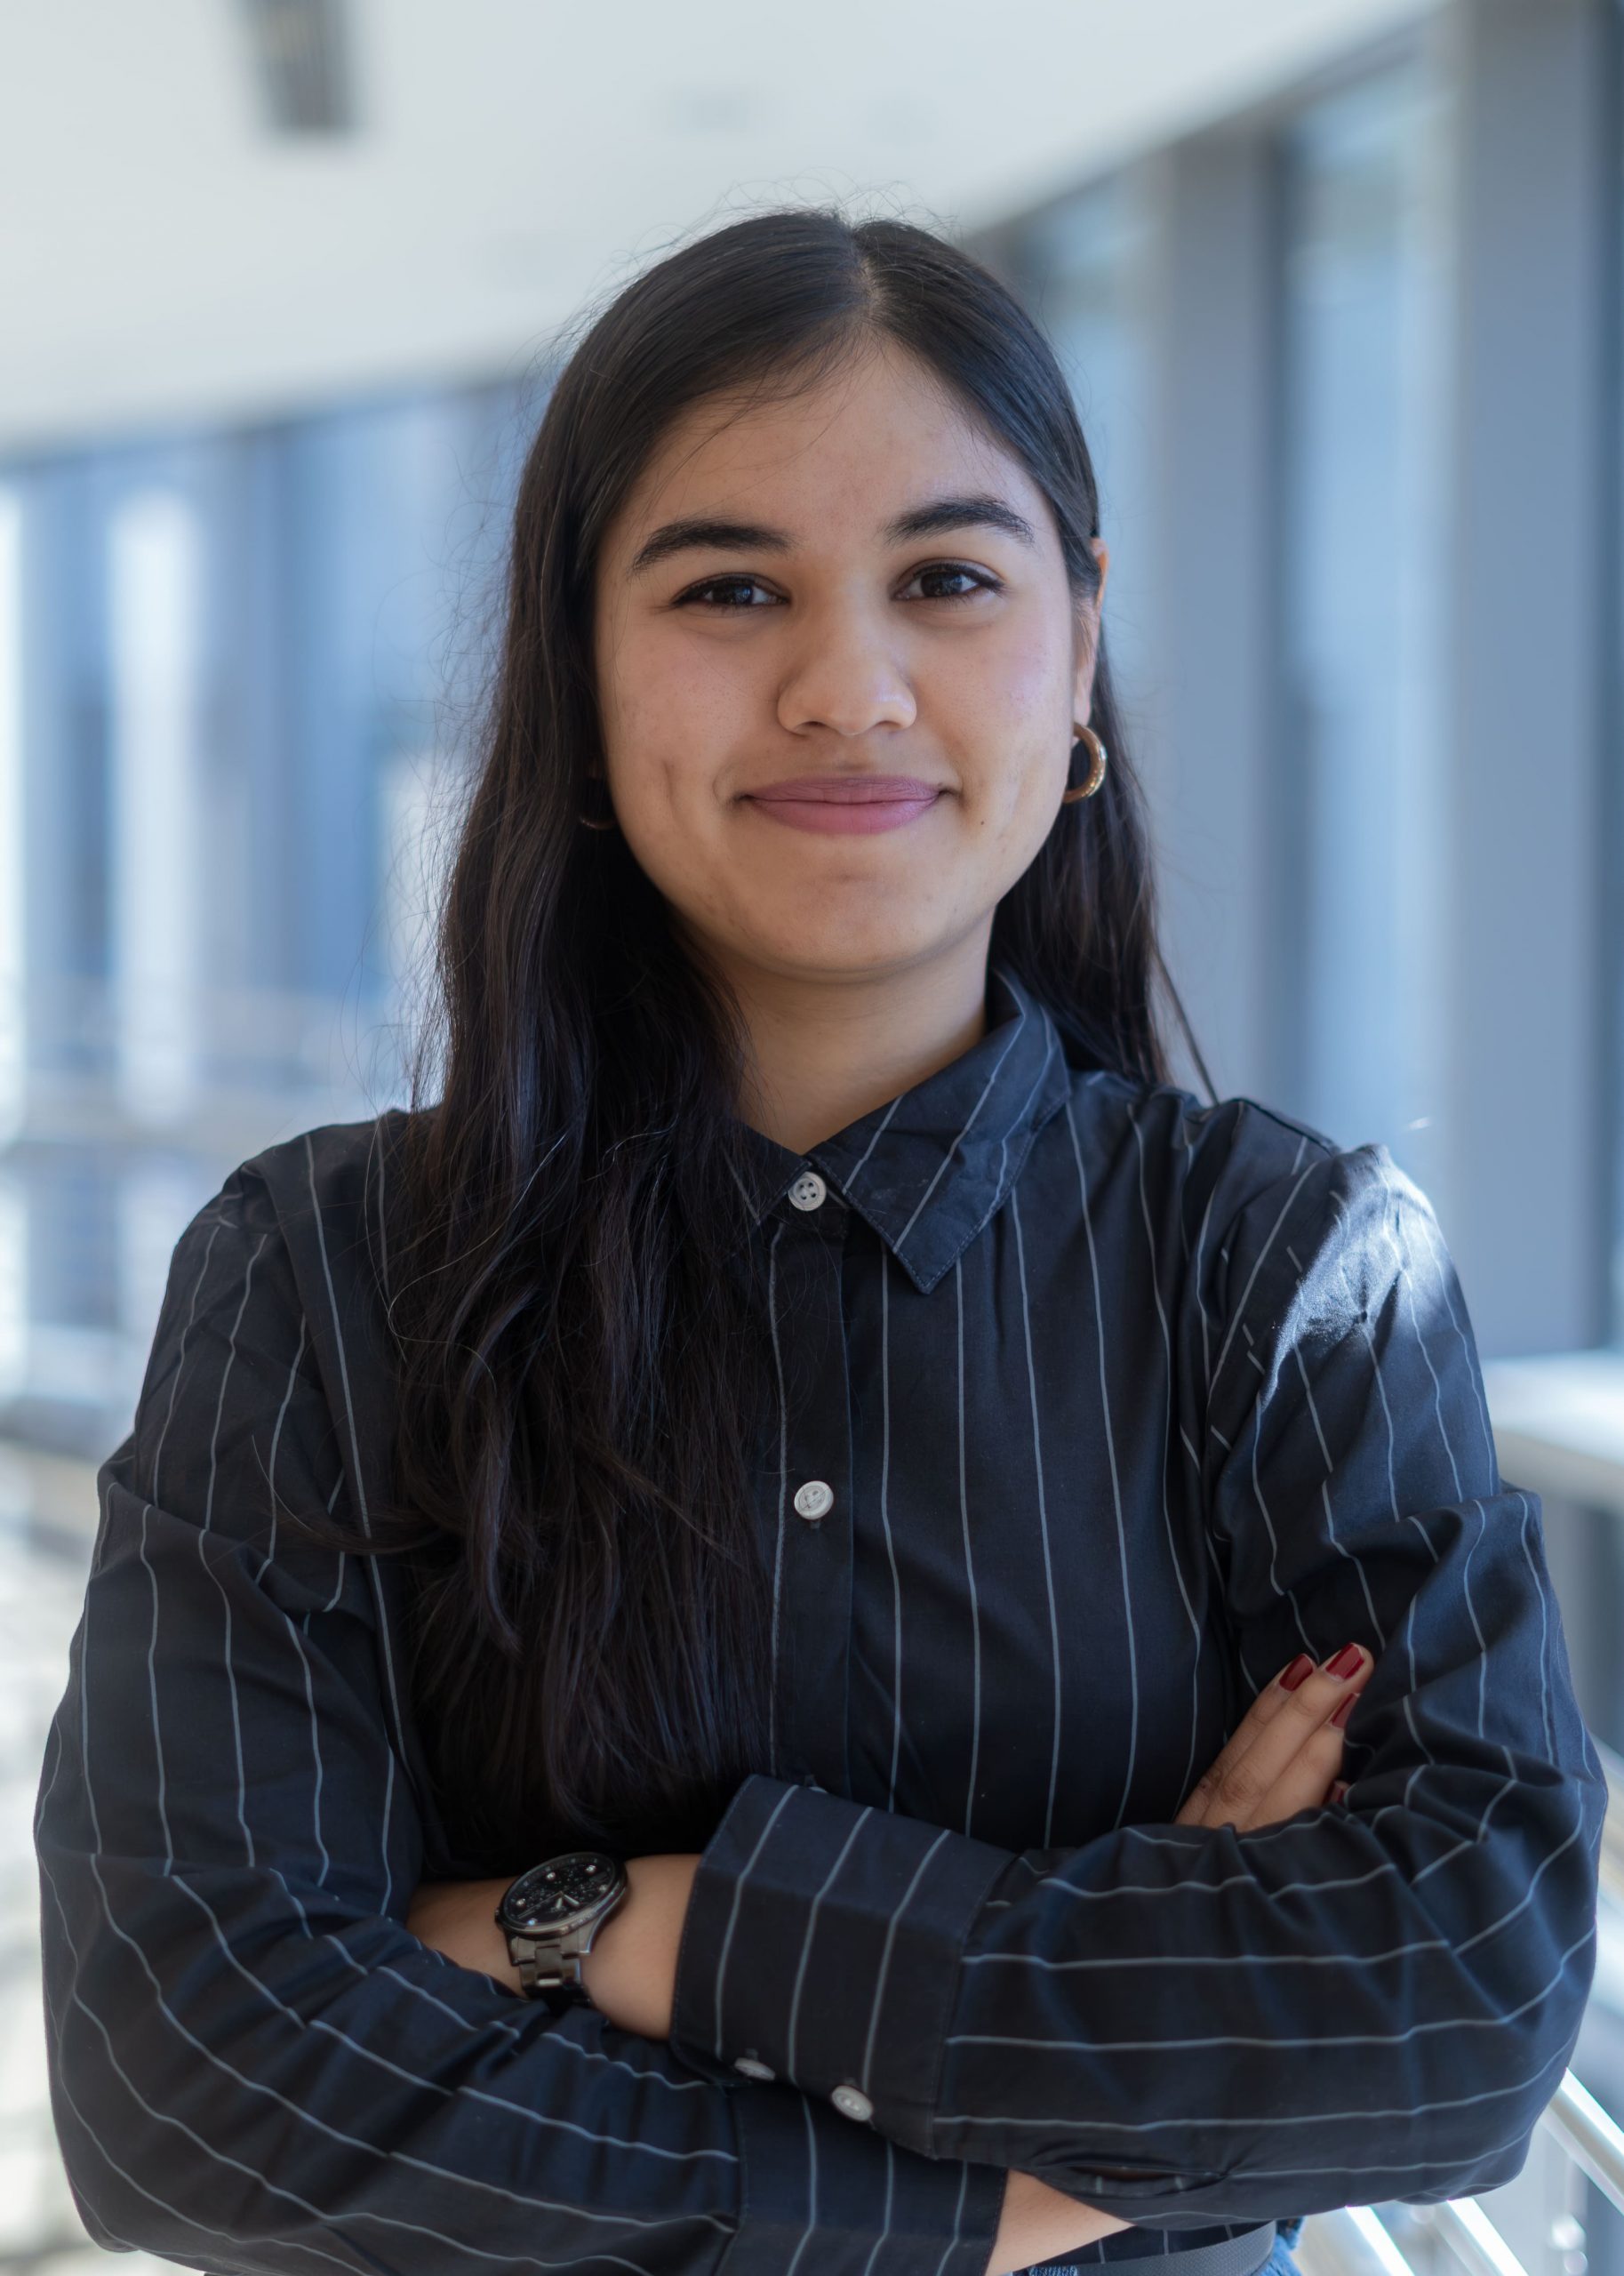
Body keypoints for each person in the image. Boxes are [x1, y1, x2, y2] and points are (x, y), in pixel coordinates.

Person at [34, 207, 1604, 2276]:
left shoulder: (1284, 1271)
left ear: (1076, 647)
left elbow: (1450, 2009)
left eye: (946, 578)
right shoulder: (322, 1276)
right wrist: (1041, 2167)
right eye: (726, 586)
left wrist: (617, 1922)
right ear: (579, 669)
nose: (844, 683)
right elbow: (195, 2087)